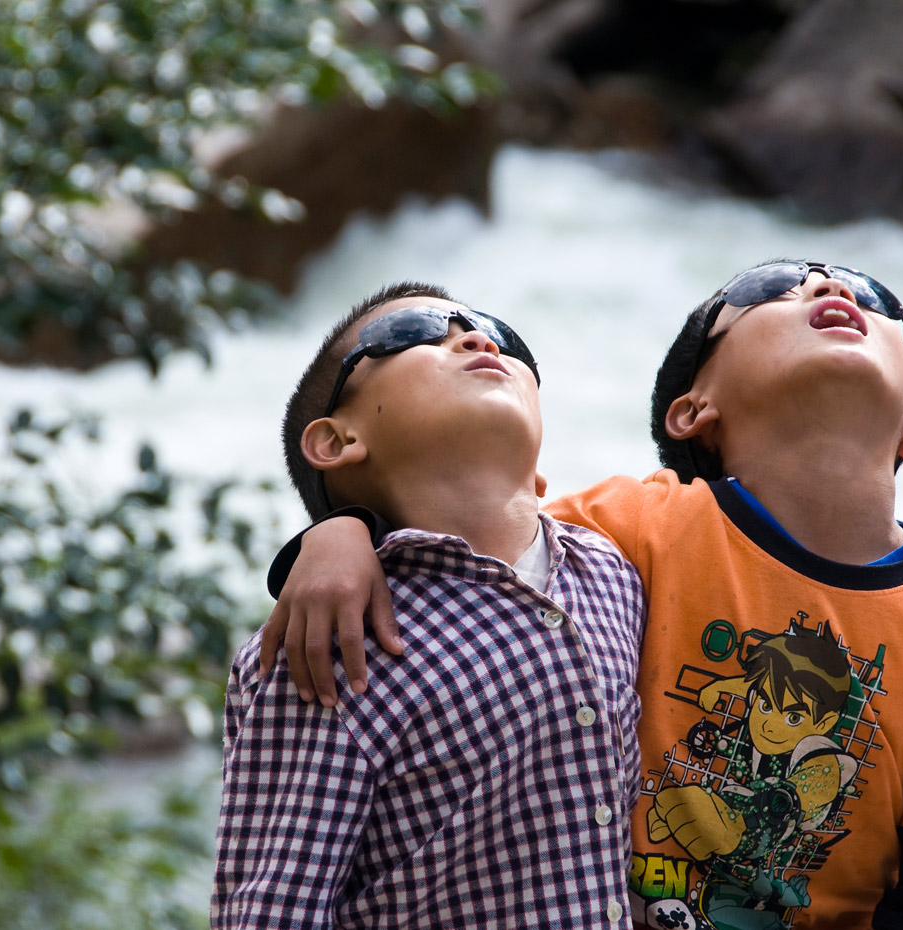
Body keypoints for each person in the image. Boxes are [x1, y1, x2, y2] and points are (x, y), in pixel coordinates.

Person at [260, 262, 903, 930]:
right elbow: (463, 542)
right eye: (770, 289)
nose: (828, 287)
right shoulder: (633, 528)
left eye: (873, 295)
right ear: (693, 409)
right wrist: (338, 533)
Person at [211, 282, 647, 929]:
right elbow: (274, 908)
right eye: (414, 332)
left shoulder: (612, 570)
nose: (478, 338)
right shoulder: (334, 635)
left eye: (502, 334)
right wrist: (336, 533)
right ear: (335, 441)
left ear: (539, 475)